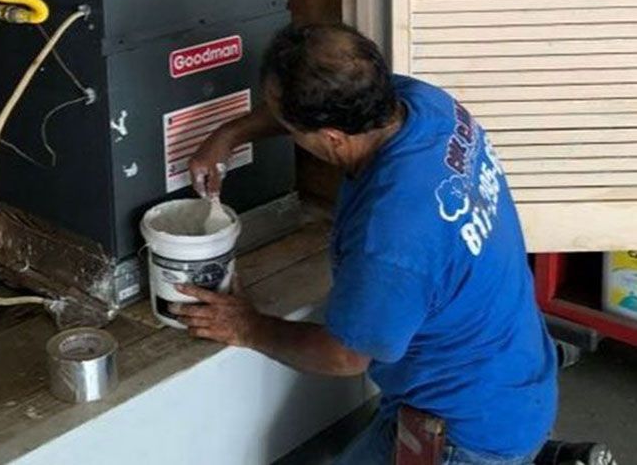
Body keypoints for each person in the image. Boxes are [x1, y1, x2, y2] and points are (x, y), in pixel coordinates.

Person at [175, 23, 561, 464]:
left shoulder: (391, 236)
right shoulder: (423, 105)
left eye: (288, 124)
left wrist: (249, 327)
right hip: (516, 369)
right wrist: (230, 133)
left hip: (467, 429)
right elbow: (315, 109)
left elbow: (344, 357)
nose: (281, 124)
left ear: (331, 139)